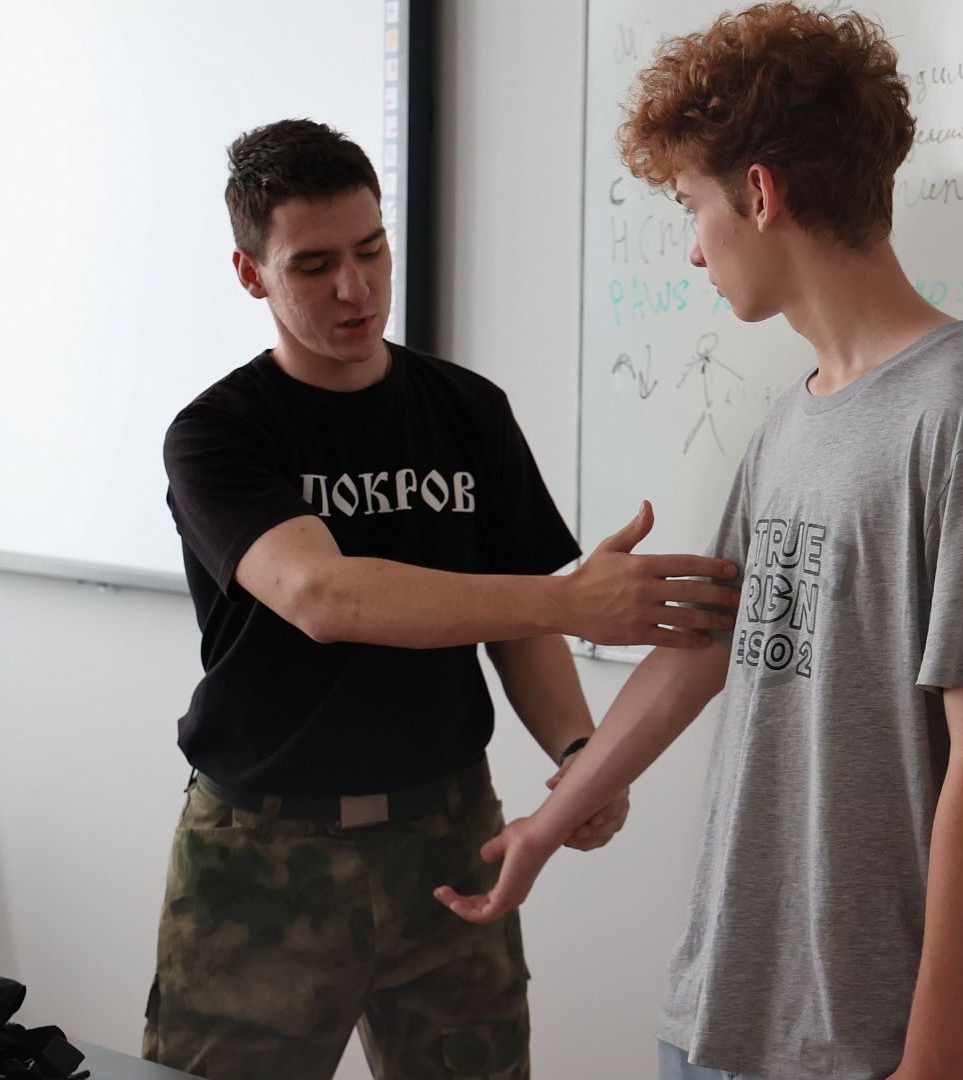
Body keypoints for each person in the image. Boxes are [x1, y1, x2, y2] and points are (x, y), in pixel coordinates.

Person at [437, 6, 963, 1079]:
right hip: (722, 1008)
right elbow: (708, 646)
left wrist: (937, 1060)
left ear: (761, 195)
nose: (693, 248)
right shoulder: (795, 417)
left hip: (869, 1044)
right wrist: (549, 824)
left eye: (693, 205)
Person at [142, 118, 740, 1079]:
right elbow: (324, 596)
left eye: (371, 250)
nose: (356, 287)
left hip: (447, 835)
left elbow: (517, 620)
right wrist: (570, 603)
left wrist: (580, 754)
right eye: (314, 266)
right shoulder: (218, 434)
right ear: (251, 274)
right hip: (262, 851)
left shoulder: (466, 409)